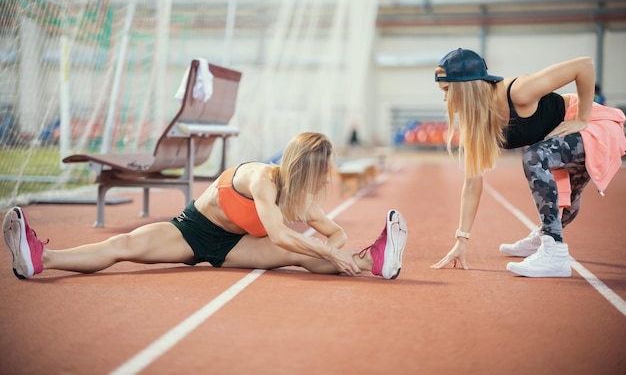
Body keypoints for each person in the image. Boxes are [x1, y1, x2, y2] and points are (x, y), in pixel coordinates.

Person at [3, 132, 408, 281]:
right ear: (303, 168)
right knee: (124, 246)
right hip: (192, 230)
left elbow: (332, 231)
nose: (324, 181)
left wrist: (339, 249)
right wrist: (328, 249)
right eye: (321, 173)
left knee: (299, 257)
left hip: (235, 246)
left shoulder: (300, 198)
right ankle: (41, 259)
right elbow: (283, 233)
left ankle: (374, 260)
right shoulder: (261, 178)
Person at [430, 48, 626, 277]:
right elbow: (472, 183)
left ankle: (554, 253)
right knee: (566, 205)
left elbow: (584, 66)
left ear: (466, 87)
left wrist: (582, 118)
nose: (445, 98)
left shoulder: (518, 92)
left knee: (535, 156)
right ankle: (545, 236)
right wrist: (461, 240)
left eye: (447, 90)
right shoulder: (476, 124)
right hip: (568, 141)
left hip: (595, 127)